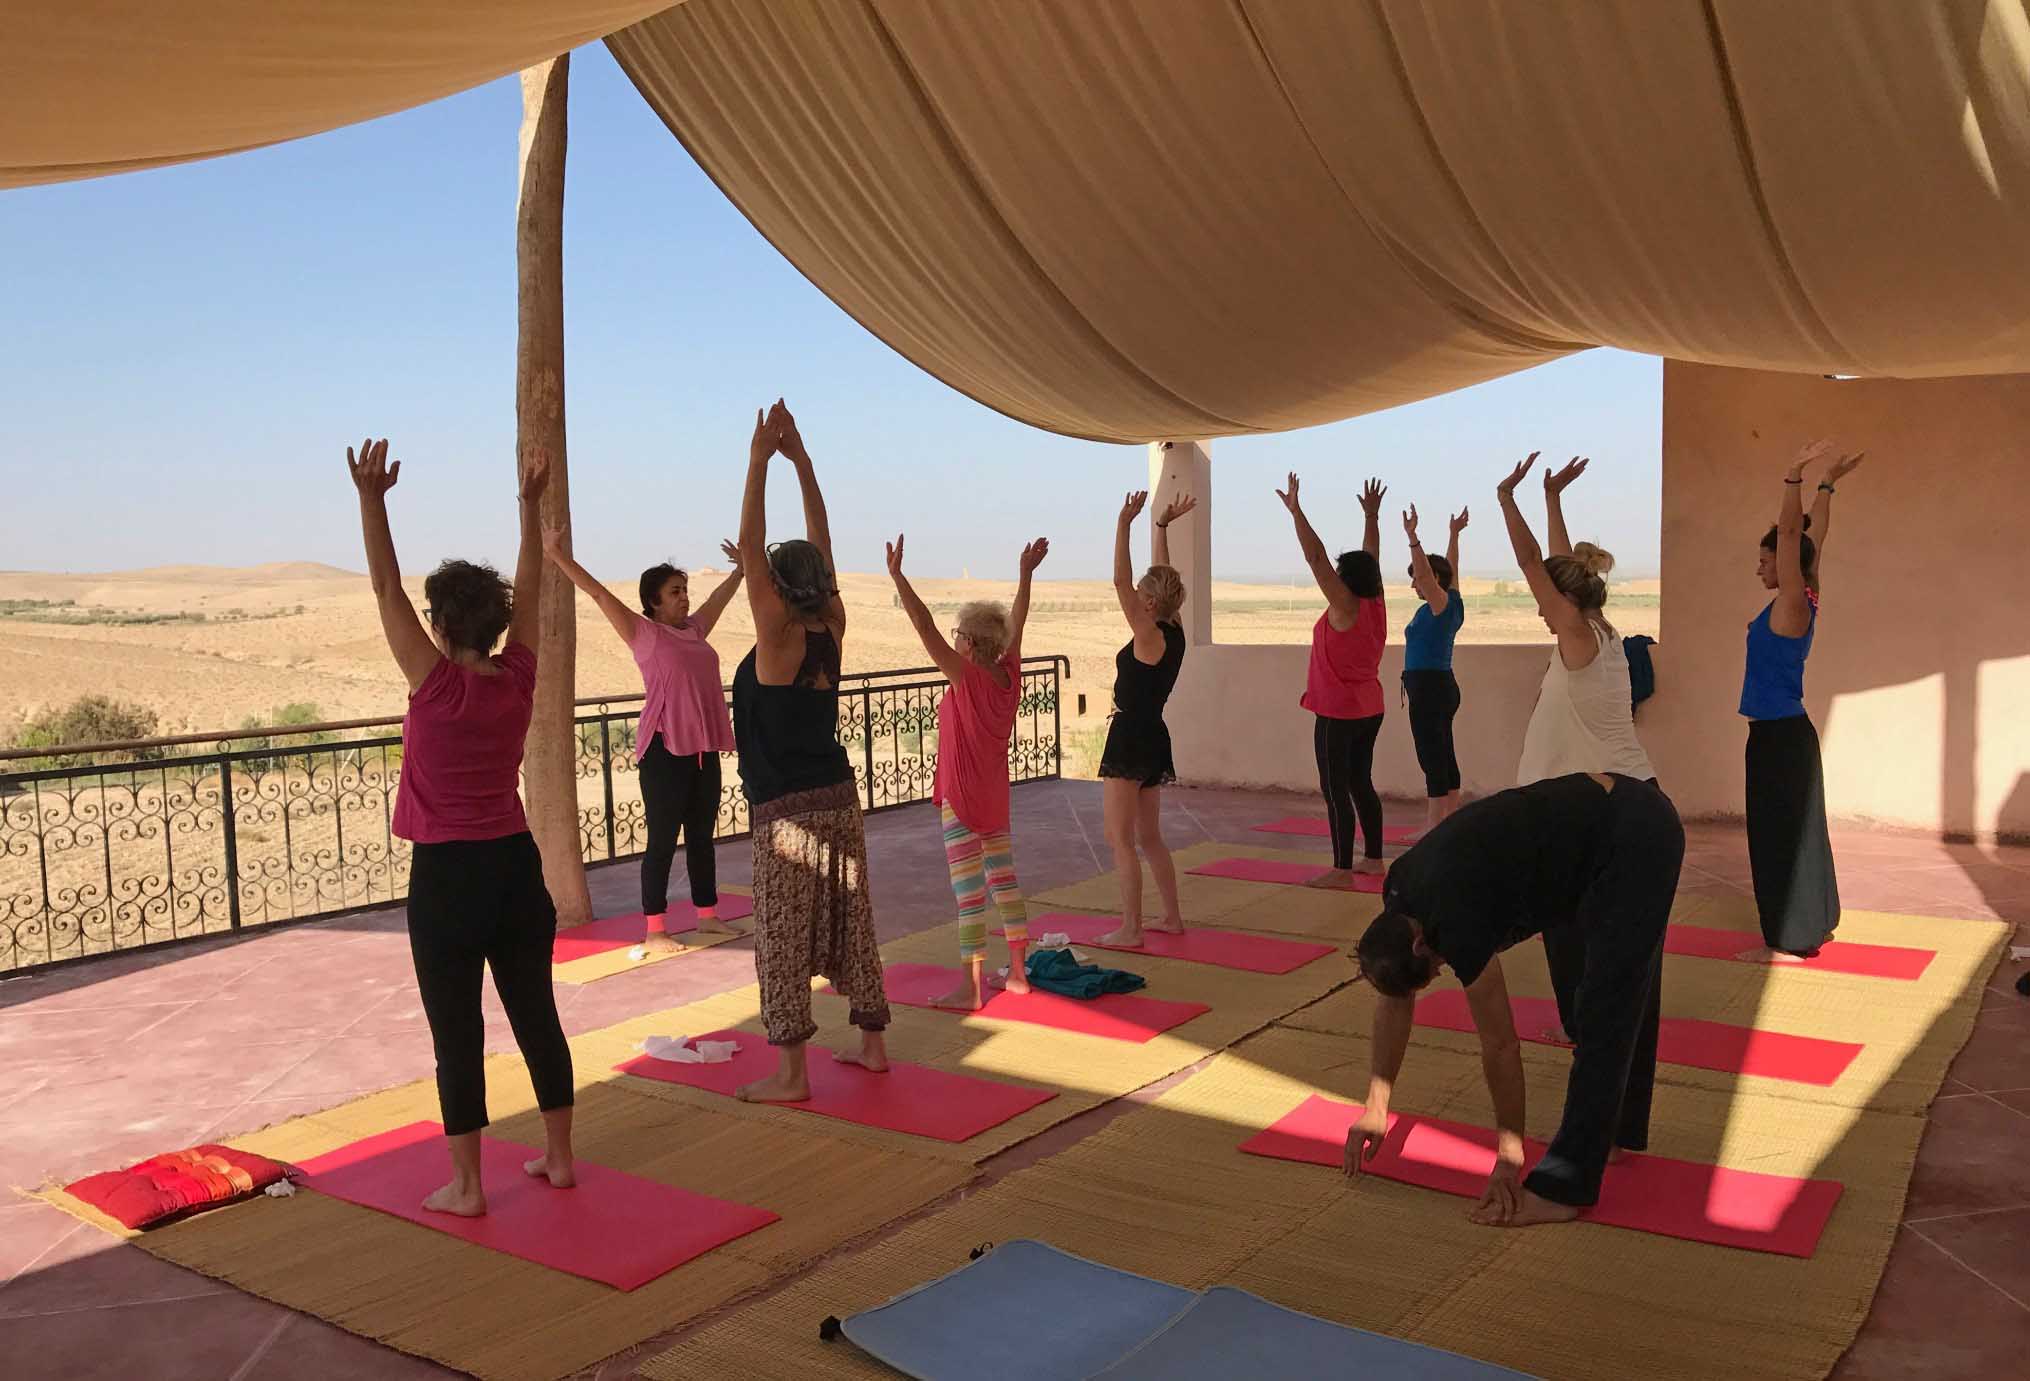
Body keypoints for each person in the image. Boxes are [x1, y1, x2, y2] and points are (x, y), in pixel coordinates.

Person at [348, 436, 574, 1216]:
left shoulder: (435, 684)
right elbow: (534, 590)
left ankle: (469, 1184)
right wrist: (530, 506)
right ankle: (559, 1157)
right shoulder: (518, 677)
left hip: (447, 876)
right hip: (515, 866)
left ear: (441, 625)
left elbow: (384, 587)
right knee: (535, 1012)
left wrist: (372, 502)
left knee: (457, 1031)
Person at [1344, 772, 1685, 1227]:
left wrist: (1509, 1155)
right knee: (1587, 1003)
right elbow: (1396, 999)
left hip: (1637, 836)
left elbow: (1501, 1045)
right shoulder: (1400, 893)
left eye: (1437, 967)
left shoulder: (1455, 918)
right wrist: (1376, 1107)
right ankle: (1612, 1131)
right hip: (1581, 852)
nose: (1444, 969)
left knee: (1607, 1010)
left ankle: (1566, 1188)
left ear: (1422, 944)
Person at [730, 401, 889, 1102]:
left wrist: (758, 459)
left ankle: (792, 1074)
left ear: (774, 586)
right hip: (838, 799)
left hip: (786, 812)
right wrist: (802, 461)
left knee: (782, 934)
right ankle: (872, 1045)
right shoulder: (832, 625)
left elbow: (752, 543)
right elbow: (820, 543)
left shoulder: (778, 635)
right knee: (853, 918)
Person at [1500, 453, 1655, 1046]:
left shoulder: (1579, 635)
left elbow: (1533, 564)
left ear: (1564, 601)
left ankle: (1583, 1028)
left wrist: (1507, 499)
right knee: (1587, 924)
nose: (1539, 610)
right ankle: (1593, 1026)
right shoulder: (1600, 632)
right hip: (1618, 795)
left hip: (1596, 802)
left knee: (1566, 923)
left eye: (1545, 601)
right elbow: (1561, 566)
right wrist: (1552, 499)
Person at [542, 532, 745, 954]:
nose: (684, 598)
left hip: (702, 750)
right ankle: (655, 929)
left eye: (685, 590)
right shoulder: (644, 633)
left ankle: (708, 917)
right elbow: (598, 594)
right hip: (663, 750)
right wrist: (556, 554)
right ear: (653, 602)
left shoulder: (695, 629)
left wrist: (740, 570)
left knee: (702, 838)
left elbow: (720, 599)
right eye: (675, 592)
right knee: (662, 841)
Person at [888, 531, 1050, 1007]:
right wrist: (1025, 575)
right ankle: (1017, 973)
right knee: (1005, 882)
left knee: (969, 895)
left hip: (961, 800)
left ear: (971, 643)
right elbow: (1018, 620)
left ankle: (971, 987)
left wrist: (898, 577)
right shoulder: (1009, 675)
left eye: (958, 633)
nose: (953, 638)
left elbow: (923, 627)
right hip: (995, 799)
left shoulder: (967, 677)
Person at [1739, 441, 1864, 962]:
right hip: (1782, 735)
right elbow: (1814, 536)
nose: (1760, 569)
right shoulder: (1806, 593)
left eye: (1765, 560)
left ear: (1786, 561)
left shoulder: (1793, 601)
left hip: (1781, 738)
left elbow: (1794, 534)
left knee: (1780, 837)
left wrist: (1793, 474)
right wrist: (1828, 483)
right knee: (1793, 831)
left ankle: (1793, 933)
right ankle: (1812, 919)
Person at [1275, 472, 1388, 884]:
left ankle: (1341, 869)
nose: (1334, 576)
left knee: (1335, 788)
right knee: (1360, 783)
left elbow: (1316, 558)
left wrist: (1296, 512)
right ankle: (1373, 859)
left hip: (1339, 712)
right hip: (1369, 708)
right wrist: (1372, 517)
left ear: (1346, 579)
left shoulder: (1345, 605)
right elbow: (1371, 557)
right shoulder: (1375, 602)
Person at [1095, 489, 1194, 947]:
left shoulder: (1149, 633)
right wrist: (1161, 527)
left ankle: (1131, 928)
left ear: (1150, 603)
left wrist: (1123, 524)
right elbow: (1163, 577)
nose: (1134, 597)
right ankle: (1171, 917)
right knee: (1150, 836)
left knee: (1119, 837)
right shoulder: (1174, 630)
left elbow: (1121, 580)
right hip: (1154, 733)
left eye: (1141, 596)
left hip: (1130, 735)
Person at [1402, 503, 1469, 833]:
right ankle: (1450, 820)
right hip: (1440, 687)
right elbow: (1450, 568)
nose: (1414, 585)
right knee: (1444, 753)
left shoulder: (1441, 605)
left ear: (1433, 580)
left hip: (1430, 690)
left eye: (1416, 579)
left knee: (1432, 757)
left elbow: (1430, 576)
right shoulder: (1450, 601)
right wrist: (1454, 534)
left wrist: (1413, 537)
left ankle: (1434, 827)